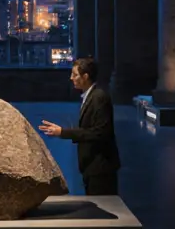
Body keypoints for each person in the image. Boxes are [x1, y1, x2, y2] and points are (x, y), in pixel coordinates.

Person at [39, 57, 121, 195]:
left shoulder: (99, 97)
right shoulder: (90, 96)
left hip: (101, 168)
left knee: (102, 202)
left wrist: (63, 132)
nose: (71, 78)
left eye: (75, 74)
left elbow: (100, 132)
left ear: (85, 76)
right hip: (92, 167)